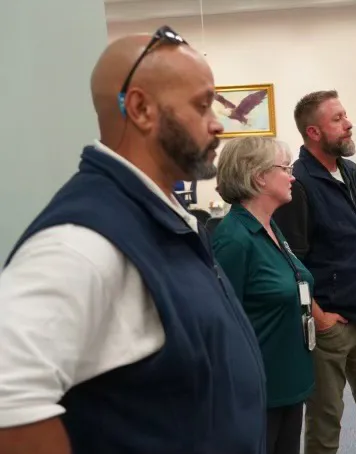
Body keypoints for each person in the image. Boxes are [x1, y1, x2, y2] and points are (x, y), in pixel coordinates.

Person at [0, 27, 266, 454]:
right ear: (141, 109)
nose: (217, 123)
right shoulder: (82, 242)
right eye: (201, 106)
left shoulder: (158, 214)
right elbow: (8, 395)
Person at [273, 90, 356, 454]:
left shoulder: (351, 171)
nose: (349, 123)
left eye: (345, 115)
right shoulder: (299, 184)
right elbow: (290, 260)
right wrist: (320, 317)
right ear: (313, 132)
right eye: (337, 119)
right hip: (330, 325)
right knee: (326, 420)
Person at [212, 137, 314, 454]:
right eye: (285, 168)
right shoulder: (234, 239)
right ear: (259, 177)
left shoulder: (269, 225)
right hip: (257, 393)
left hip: (287, 383)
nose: (292, 176)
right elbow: (222, 328)